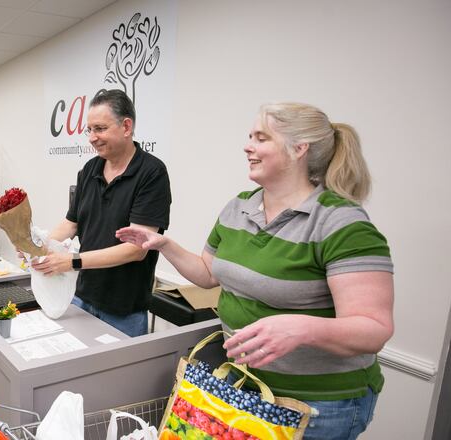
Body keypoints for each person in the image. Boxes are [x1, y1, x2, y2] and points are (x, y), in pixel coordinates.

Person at [116, 103, 394, 439]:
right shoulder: (239, 207)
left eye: (261, 138)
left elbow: (374, 329)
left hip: (317, 405)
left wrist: (301, 328)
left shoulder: (341, 223)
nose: (248, 146)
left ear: (299, 149)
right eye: (250, 137)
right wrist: (163, 245)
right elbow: (208, 273)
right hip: (246, 385)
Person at [32, 89, 172, 337]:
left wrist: (72, 262)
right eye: (90, 130)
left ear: (126, 126)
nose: (92, 138)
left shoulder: (151, 173)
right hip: (81, 296)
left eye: (100, 128)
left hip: (123, 310)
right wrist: (41, 247)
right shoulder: (90, 168)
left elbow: (137, 249)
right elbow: (71, 223)